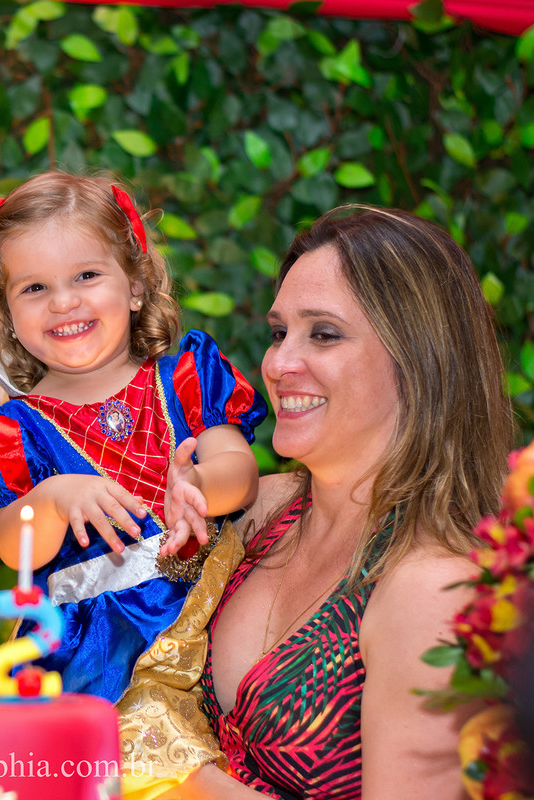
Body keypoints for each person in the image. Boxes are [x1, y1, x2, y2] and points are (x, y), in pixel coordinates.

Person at [179, 205, 514, 799]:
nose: (279, 365)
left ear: (419, 362)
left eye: (324, 334)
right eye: (280, 332)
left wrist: (175, 777)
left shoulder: (430, 589)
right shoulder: (262, 514)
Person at [0, 172, 266, 713]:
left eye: (86, 275)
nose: (63, 302)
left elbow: (241, 472)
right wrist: (53, 499)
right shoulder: (13, 432)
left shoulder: (184, 379)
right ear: (10, 315)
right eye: (34, 288)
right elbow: (13, 548)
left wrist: (200, 483)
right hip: (96, 657)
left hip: (219, 617)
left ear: (134, 285)